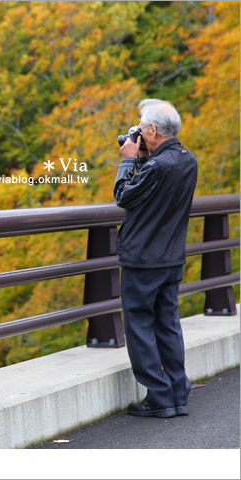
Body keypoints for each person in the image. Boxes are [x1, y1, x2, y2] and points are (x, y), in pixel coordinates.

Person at [114, 98, 198, 418]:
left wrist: (128, 161)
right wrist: (144, 159)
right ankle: (178, 392)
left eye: (140, 125)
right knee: (167, 324)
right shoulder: (187, 160)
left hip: (143, 260)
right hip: (172, 257)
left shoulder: (157, 166)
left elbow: (124, 195)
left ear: (151, 129)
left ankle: (159, 397)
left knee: (139, 325)